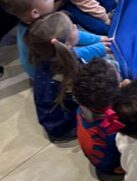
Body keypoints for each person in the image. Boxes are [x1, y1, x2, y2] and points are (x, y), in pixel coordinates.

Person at [26, 13, 108, 142]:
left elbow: (76, 45)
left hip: (53, 115)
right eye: (73, 28)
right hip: (63, 126)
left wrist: (98, 41)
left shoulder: (48, 54)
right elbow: (91, 95)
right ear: (67, 44)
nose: (76, 26)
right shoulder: (66, 71)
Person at [72, 58, 124, 177]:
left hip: (100, 159)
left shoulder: (83, 106)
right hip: (115, 166)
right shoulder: (115, 126)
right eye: (119, 80)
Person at [0, 0, 55, 78]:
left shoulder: (25, 23)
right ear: (35, 13)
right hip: (45, 76)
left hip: (34, 70)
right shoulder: (43, 32)